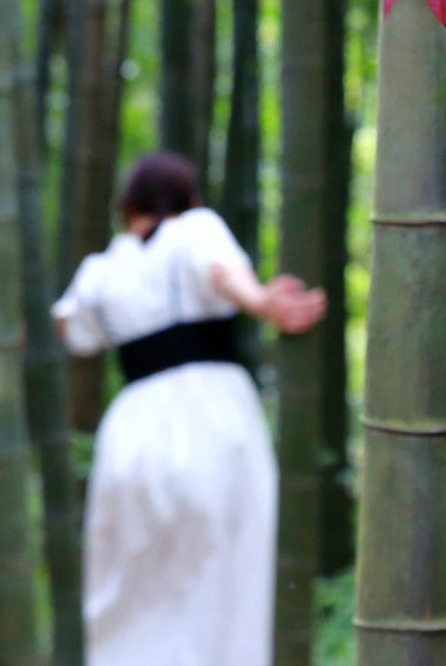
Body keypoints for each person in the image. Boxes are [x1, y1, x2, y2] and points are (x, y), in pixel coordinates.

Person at [52, 152, 325, 666]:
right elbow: (221, 273)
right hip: (213, 415)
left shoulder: (102, 269)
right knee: (229, 572)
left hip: (131, 431)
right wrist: (264, 302)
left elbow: (63, 329)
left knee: (128, 588)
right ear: (189, 201)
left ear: (128, 209)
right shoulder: (195, 228)